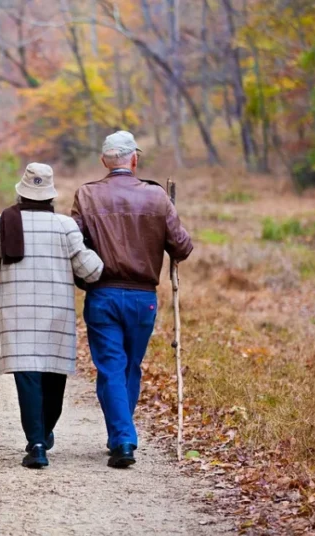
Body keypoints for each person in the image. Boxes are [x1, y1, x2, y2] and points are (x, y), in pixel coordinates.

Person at [71, 131, 193, 468]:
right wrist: (167, 215)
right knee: (128, 367)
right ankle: (122, 436)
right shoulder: (156, 197)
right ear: (134, 160)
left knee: (111, 367)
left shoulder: (86, 195)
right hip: (143, 299)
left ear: (103, 161)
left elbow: (72, 242)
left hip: (103, 293)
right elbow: (182, 247)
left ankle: (121, 437)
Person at [0, 163, 104, 469]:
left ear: (20, 193)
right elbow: (92, 271)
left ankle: (37, 444)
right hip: (56, 315)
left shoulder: (2, 223)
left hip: (17, 317)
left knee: (28, 378)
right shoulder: (65, 226)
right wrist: (96, 251)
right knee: (53, 378)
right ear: (51, 196)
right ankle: (43, 434)